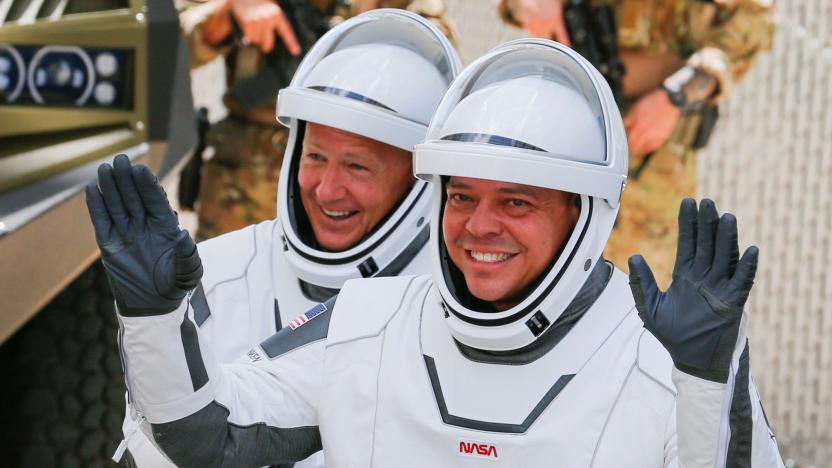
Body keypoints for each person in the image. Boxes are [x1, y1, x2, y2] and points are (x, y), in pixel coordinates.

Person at [89, 39, 783, 466]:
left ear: (583, 214)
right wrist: (155, 317)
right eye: (461, 196)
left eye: (516, 202)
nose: (479, 226)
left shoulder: (662, 356)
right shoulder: (366, 320)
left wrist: (707, 386)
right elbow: (205, 440)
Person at [109, 10, 461, 466]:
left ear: (419, 180)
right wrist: (154, 319)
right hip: (239, 184)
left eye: (358, 166)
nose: (327, 187)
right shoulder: (214, 276)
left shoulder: (452, 308)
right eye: (314, 157)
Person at [498, 0, 774, 287]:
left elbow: (754, 21)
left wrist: (676, 96)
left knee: (639, 302)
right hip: (561, 137)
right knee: (540, 286)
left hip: (652, 159)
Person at [176, 0, 456, 241]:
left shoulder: (406, 7)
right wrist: (231, 11)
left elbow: (440, 62)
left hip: (356, 194)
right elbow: (171, 46)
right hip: (242, 192)